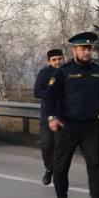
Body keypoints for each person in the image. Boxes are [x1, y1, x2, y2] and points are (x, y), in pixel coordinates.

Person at [45, 31, 99, 198]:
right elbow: (49, 97)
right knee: (61, 166)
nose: (87, 52)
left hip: (90, 126)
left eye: (89, 49)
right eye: (83, 49)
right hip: (67, 126)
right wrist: (51, 117)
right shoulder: (63, 72)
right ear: (75, 49)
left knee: (94, 164)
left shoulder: (98, 72)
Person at [32, 48, 64, 185]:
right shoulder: (44, 73)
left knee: (61, 146)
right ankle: (49, 169)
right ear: (49, 61)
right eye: (54, 60)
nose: (57, 62)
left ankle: (59, 173)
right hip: (48, 114)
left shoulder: (68, 72)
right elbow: (37, 92)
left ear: (63, 58)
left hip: (64, 114)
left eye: (59, 59)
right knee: (47, 145)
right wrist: (51, 94)